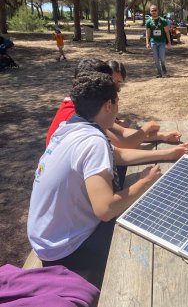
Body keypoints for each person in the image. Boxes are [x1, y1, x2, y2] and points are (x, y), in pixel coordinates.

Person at [28, 72, 163, 289]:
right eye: (118, 103)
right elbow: (106, 210)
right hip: (66, 251)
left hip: (45, 241)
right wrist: (145, 182)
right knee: (148, 215)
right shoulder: (93, 141)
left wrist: (166, 154)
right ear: (109, 105)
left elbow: (116, 155)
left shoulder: (67, 128)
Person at [46, 59, 184, 149]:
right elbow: (123, 145)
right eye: (111, 81)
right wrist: (147, 127)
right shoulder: (81, 113)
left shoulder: (83, 103)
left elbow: (123, 132)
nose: (115, 88)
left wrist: (162, 136)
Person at [145, 5, 172, 78]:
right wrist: (147, 43)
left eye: (155, 10)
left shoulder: (163, 20)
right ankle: (159, 73)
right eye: (152, 10)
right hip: (153, 42)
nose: (154, 12)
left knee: (162, 57)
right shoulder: (148, 21)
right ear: (150, 12)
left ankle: (164, 69)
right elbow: (147, 33)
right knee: (156, 58)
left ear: (158, 11)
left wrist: (169, 42)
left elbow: (167, 32)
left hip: (162, 42)